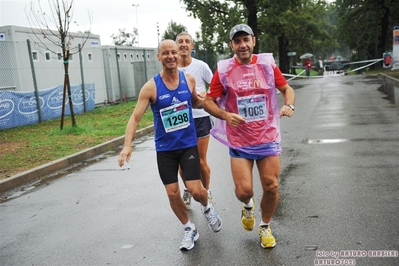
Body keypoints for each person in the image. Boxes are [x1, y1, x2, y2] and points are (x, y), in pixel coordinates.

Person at [118, 39, 222, 251]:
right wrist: (127, 145)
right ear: (159, 57)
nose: (170, 56)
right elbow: (135, 118)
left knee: (195, 190)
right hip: (165, 150)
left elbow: (194, 102)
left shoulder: (189, 79)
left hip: (187, 145)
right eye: (165, 53)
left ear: (179, 54)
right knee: (173, 193)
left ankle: (207, 207)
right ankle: (188, 229)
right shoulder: (151, 87)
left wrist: (208, 100)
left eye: (173, 52)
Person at [204, 24, 295, 248]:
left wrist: (289, 105)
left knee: (271, 185)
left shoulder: (267, 65)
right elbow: (208, 101)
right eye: (237, 41)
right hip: (240, 140)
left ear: (254, 41)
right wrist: (225, 115)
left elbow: (286, 89)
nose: (242, 45)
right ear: (231, 45)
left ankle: (265, 226)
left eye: (246, 39)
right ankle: (247, 206)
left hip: (267, 136)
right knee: (244, 191)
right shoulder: (224, 70)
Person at [175, 32, 214, 209]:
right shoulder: (171, 67)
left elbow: (216, 86)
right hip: (178, 121)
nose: (183, 44)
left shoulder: (201, 66)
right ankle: (189, 189)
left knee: (200, 160)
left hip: (200, 118)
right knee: (182, 165)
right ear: (176, 46)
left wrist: (208, 94)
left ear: (192, 46)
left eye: (187, 42)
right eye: (180, 41)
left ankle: (207, 191)